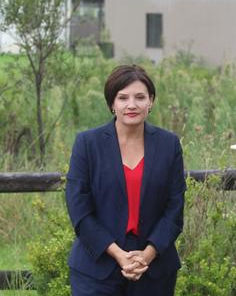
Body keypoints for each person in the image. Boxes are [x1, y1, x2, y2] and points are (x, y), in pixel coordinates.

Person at [65, 65, 185, 295]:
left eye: (140, 97)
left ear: (150, 101)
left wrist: (147, 255)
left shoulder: (169, 145)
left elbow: (175, 208)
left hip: (154, 267)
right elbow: (79, 209)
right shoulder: (87, 144)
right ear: (112, 103)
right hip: (96, 266)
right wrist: (119, 255)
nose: (132, 105)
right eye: (123, 98)